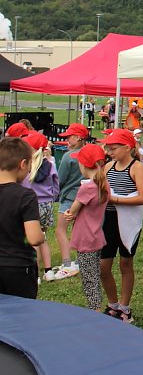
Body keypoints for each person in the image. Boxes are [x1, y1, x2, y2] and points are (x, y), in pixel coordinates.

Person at [100, 128, 143, 323]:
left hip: (128, 221)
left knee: (125, 263)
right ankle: (112, 303)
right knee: (104, 266)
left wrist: (115, 200)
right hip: (108, 220)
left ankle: (124, 306)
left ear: (127, 148)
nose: (110, 152)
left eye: (113, 148)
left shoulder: (137, 167)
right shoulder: (108, 166)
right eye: (108, 148)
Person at [63, 144, 109, 311]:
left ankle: (95, 311)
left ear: (83, 165)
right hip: (96, 236)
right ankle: (97, 306)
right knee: (94, 276)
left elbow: (73, 210)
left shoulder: (87, 187)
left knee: (89, 279)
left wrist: (69, 213)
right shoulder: (103, 184)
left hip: (85, 239)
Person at [0, 137, 44, 299]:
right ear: (23, 164)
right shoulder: (25, 195)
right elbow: (34, 238)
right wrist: (42, 236)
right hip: (19, 267)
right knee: (21, 317)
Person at [20, 133, 59, 283]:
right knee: (42, 238)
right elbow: (56, 185)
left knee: (33, 240)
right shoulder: (50, 164)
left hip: (32, 204)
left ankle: (35, 274)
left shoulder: (27, 166)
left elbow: (23, 186)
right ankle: (48, 271)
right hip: (47, 205)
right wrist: (51, 198)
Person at [53, 123, 90, 280]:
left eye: (70, 137)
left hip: (69, 198)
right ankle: (80, 262)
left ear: (79, 138)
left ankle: (67, 264)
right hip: (86, 197)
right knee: (79, 231)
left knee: (60, 229)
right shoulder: (90, 153)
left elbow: (60, 179)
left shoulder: (69, 157)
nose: (67, 140)